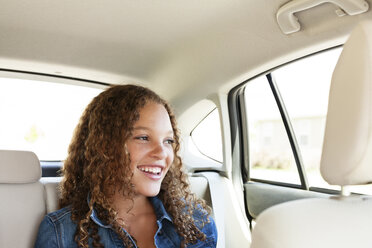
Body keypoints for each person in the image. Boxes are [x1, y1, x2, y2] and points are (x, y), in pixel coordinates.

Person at [34, 84, 217, 248]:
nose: (162, 153)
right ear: (105, 146)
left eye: (168, 140)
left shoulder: (197, 223)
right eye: (143, 138)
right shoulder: (61, 233)